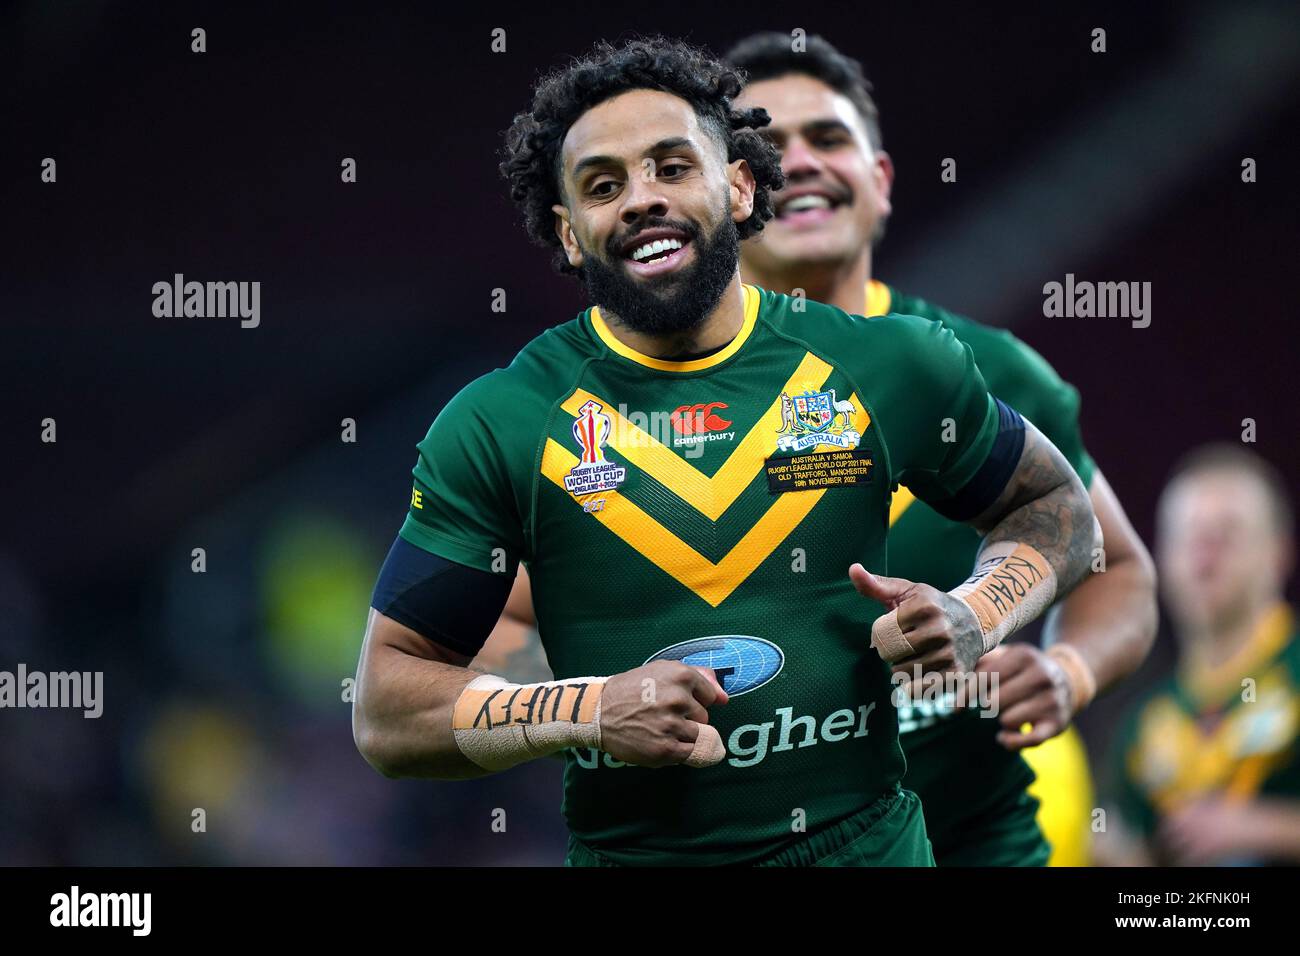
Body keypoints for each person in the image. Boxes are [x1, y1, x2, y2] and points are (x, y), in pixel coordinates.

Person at [352, 37, 1099, 866]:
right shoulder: (500, 423)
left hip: (866, 849)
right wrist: (590, 710)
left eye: (672, 167)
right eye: (604, 187)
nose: (640, 199)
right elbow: (386, 711)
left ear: (739, 186)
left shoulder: (891, 367)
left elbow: (1057, 511)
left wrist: (977, 610)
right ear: (568, 234)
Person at [721, 31, 1159, 866]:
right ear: (728, 194)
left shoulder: (989, 371)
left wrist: (1069, 668)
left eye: (831, 138)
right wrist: (602, 706)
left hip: (975, 843)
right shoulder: (653, 399)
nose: (804, 161)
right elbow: (516, 621)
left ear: (880, 185)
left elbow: (1121, 568)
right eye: (770, 148)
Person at [1101, 445, 1300, 865]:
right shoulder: (1142, 727)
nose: (1204, 557)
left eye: (1226, 535)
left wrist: (1264, 827)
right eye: (1188, 537)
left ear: (1280, 552)